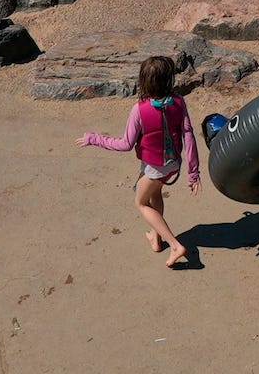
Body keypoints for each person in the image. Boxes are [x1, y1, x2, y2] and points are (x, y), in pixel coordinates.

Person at [75, 55, 199, 269]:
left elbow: (125, 143)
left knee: (140, 202)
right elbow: (188, 135)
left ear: (144, 81)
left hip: (154, 168)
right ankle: (156, 236)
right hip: (173, 165)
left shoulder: (139, 110)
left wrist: (94, 138)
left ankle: (174, 244)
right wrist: (193, 173)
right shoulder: (179, 102)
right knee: (155, 194)